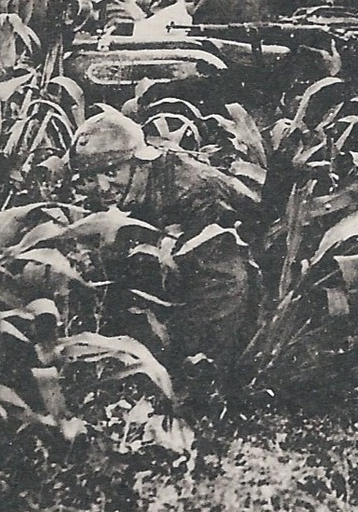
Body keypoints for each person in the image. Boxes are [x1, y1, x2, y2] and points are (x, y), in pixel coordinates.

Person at [69, 107, 256, 382]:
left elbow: (225, 284)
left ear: (141, 163)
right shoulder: (132, 184)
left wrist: (184, 355)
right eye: (91, 177)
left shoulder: (192, 192)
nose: (103, 187)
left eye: (111, 172)